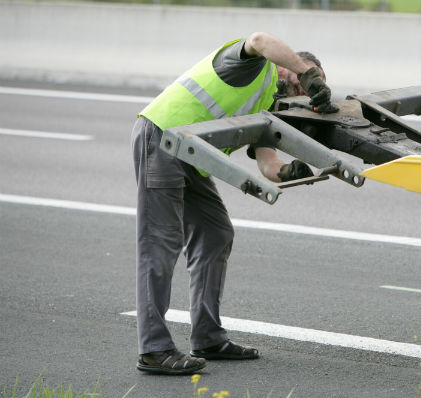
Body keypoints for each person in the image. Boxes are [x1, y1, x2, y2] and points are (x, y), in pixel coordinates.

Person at [131, 32, 335, 375]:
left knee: (216, 233)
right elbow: (258, 38)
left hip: (190, 157)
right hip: (161, 136)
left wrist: (289, 172)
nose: (306, 88)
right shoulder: (250, 65)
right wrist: (305, 70)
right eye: (308, 78)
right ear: (289, 64)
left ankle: (208, 337)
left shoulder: (268, 108)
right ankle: (154, 349)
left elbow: (267, 165)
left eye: (313, 85)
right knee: (161, 244)